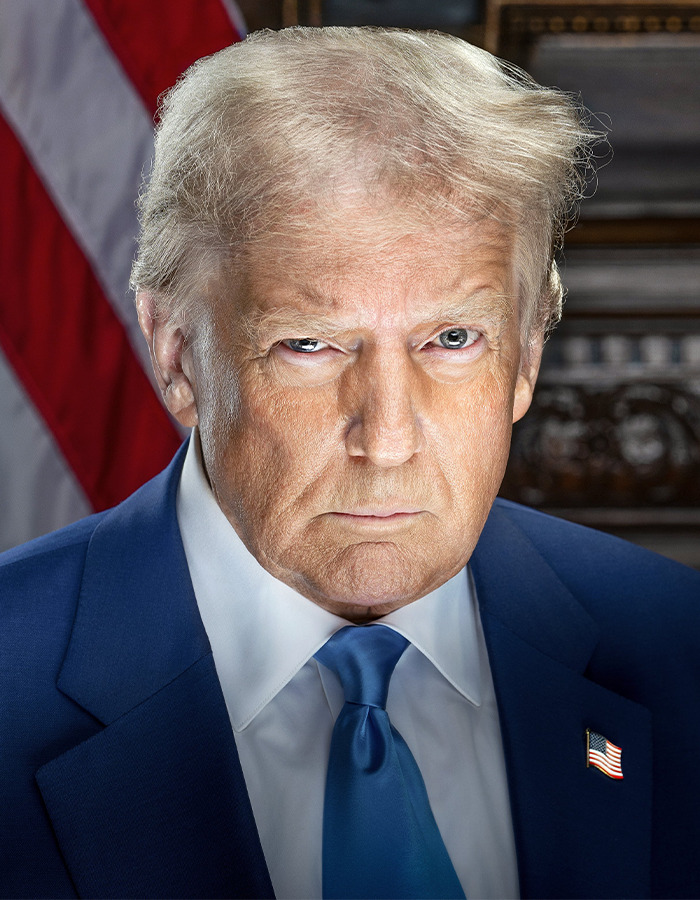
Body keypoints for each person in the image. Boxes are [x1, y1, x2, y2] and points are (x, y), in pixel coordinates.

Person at [1, 25, 699, 900]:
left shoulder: (682, 650)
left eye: (452, 338)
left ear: (525, 356)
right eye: (310, 344)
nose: (389, 439)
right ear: (178, 357)